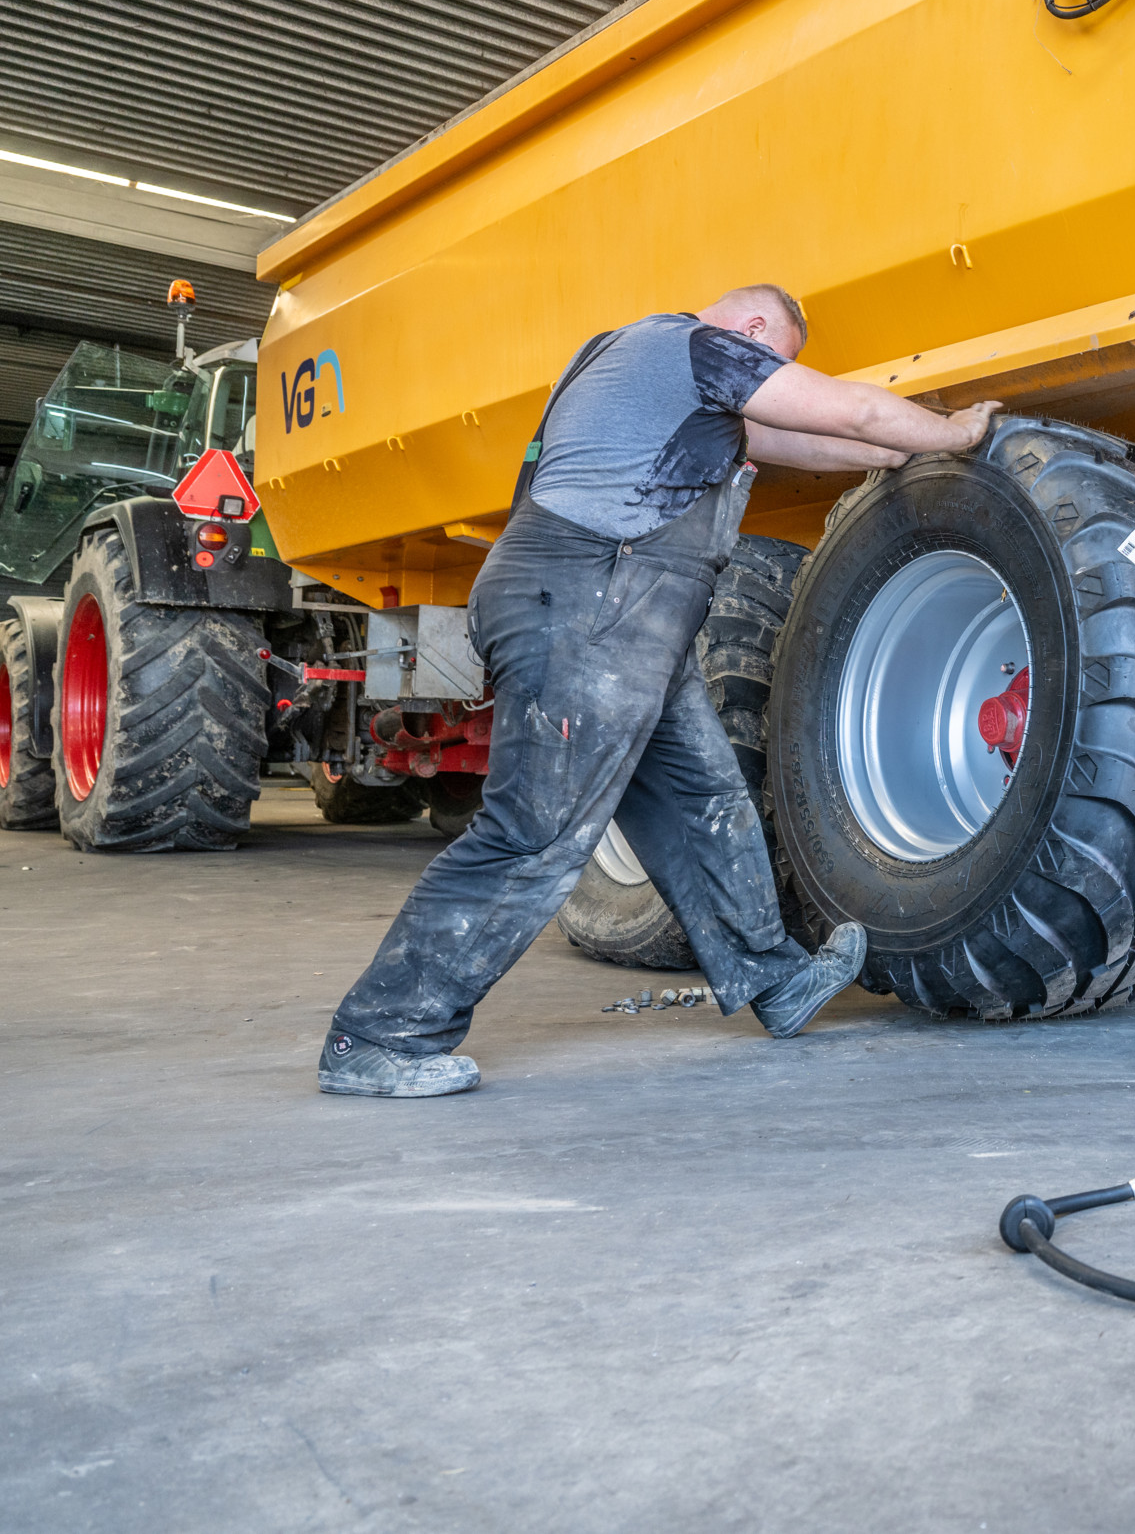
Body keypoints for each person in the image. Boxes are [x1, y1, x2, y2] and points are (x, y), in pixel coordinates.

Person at [318, 285, 997, 1097]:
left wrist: (898, 455)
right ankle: (380, 1033)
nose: (770, 374)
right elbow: (846, 412)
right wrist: (956, 432)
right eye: (775, 358)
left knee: (700, 795)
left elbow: (796, 436)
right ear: (752, 331)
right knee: (535, 832)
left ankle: (773, 978)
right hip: (586, 600)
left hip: (622, 613)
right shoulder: (689, 346)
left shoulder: (633, 363)